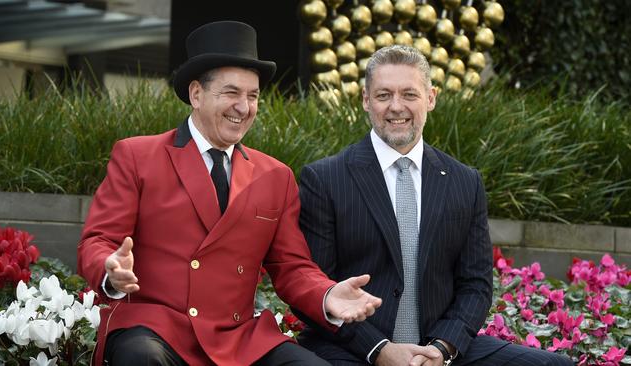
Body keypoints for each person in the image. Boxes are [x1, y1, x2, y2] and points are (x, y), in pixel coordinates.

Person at [77, 21, 382, 366]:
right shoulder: (137, 156)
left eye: (253, 96)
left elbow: (291, 266)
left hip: (237, 338)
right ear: (196, 94)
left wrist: (326, 295)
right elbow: (98, 240)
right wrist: (109, 267)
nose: (244, 107)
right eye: (231, 93)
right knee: (141, 357)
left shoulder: (276, 176)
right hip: (155, 329)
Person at [296, 45, 573, 366]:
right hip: (352, 349)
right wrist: (380, 350)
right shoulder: (325, 178)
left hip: (437, 349)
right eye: (384, 95)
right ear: (365, 100)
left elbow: (476, 286)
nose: (396, 107)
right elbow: (314, 289)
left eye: (409, 94)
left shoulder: (464, 181)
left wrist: (442, 349)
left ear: (431, 97)